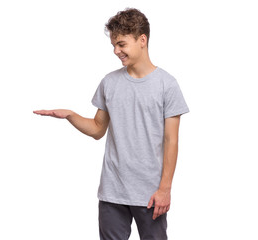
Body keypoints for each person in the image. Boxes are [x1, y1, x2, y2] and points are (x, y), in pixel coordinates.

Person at [33, 7, 189, 240]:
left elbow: (171, 140)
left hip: (150, 193)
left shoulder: (167, 85)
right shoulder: (109, 82)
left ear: (142, 40)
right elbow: (97, 129)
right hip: (112, 191)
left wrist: (165, 189)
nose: (116, 51)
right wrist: (71, 116)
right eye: (114, 45)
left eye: (122, 44)